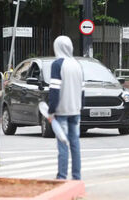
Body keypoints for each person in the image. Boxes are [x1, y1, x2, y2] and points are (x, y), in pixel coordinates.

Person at [48, 36, 83, 180]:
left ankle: (62, 176)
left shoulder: (57, 64)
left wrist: (51, 111)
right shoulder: (77, 65)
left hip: (61, 111)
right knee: (75, 144)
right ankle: (77, 176)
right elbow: (82, 90)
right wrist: (80, 107)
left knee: (63, 144)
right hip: (76, 110)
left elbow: (54, 90)